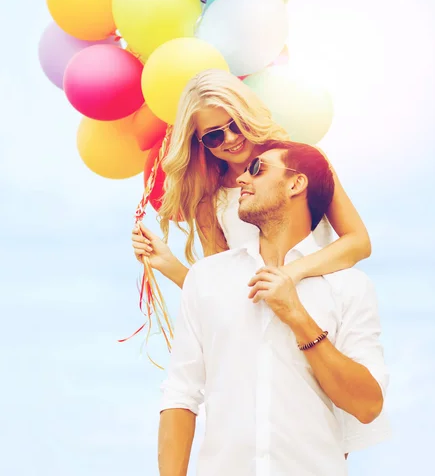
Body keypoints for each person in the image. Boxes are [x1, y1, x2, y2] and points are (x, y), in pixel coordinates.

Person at [132, 69, 391, 457]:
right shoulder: (210, 199)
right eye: (215, 136)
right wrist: (169, 264)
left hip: (317, 307)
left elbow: (359, 242)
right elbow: (220, 295)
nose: (231, 139)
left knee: (321, 435)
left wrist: (292, 274)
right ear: (200, 143)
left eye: (234, 124)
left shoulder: (299, 163)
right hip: (257, 322)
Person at [158, 142, 389, 476]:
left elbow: (367, 406)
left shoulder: (349, 287)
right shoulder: (207, 278)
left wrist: (298, 318)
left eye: (258, 169)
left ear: (296, 183)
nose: (241, 180)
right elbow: (180, 394)